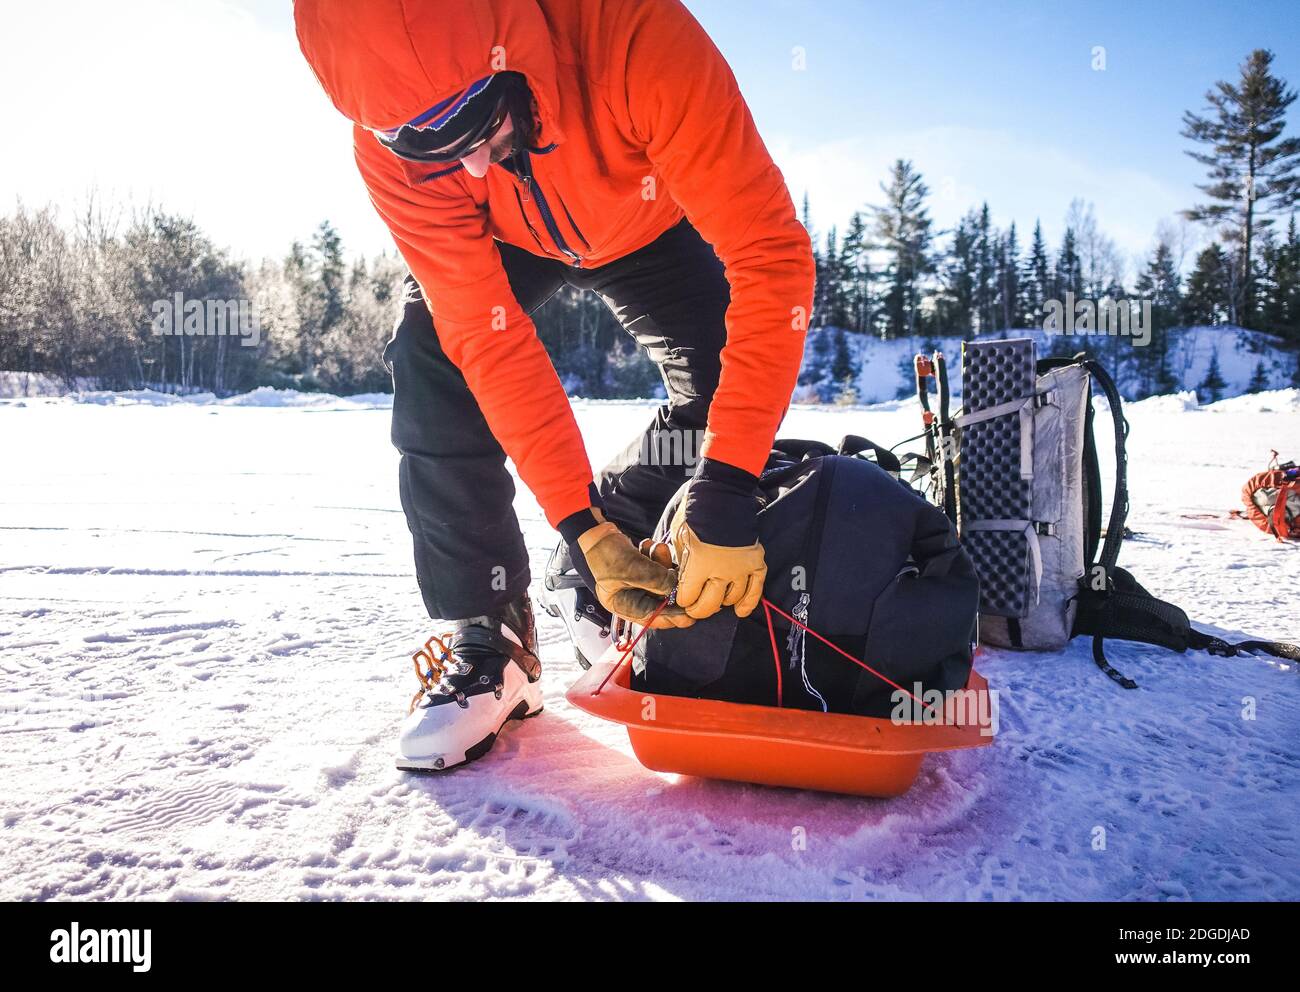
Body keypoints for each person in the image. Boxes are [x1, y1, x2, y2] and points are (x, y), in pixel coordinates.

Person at [294, 0, 815, 770]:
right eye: (428, 148)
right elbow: (486, 340)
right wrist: (580, 523)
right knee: (434, 351)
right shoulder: (393, 147)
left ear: (512, 52)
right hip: (509, 238)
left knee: (720, 392)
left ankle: (641, 517)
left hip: (648, 221)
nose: (469, 165)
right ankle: (493, 636)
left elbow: (772, 261)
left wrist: (730, 482)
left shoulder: (636, 37)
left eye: (478, 125)